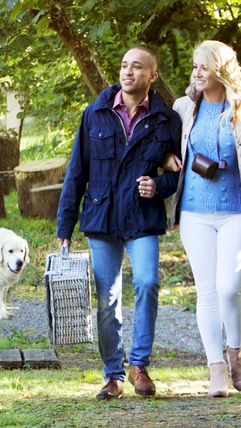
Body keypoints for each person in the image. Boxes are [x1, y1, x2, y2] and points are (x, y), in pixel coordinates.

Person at [57, 46, 182, 400]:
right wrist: (65, 226)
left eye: (137, 67)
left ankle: (138, 365)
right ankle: (113, 375)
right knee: (107, 299)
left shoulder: (167, 119)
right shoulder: (95, 113)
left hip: (142, 216)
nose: (128, 72)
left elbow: (180, 174)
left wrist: (158, 186)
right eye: (125, 65)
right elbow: (76, 172)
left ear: (152, 76)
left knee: (148, 282)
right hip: (102, 216)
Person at [169, 40, 241, 398]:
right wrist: (166, 160)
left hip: (236, 211)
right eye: (194, 67)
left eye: (204, 67)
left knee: (229, 287)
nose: (197, 73)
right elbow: (163, 148)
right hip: (194, 212)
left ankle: (236, 351)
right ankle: (216, 369)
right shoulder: (183, 108)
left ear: (221, 71)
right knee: (206, 290)